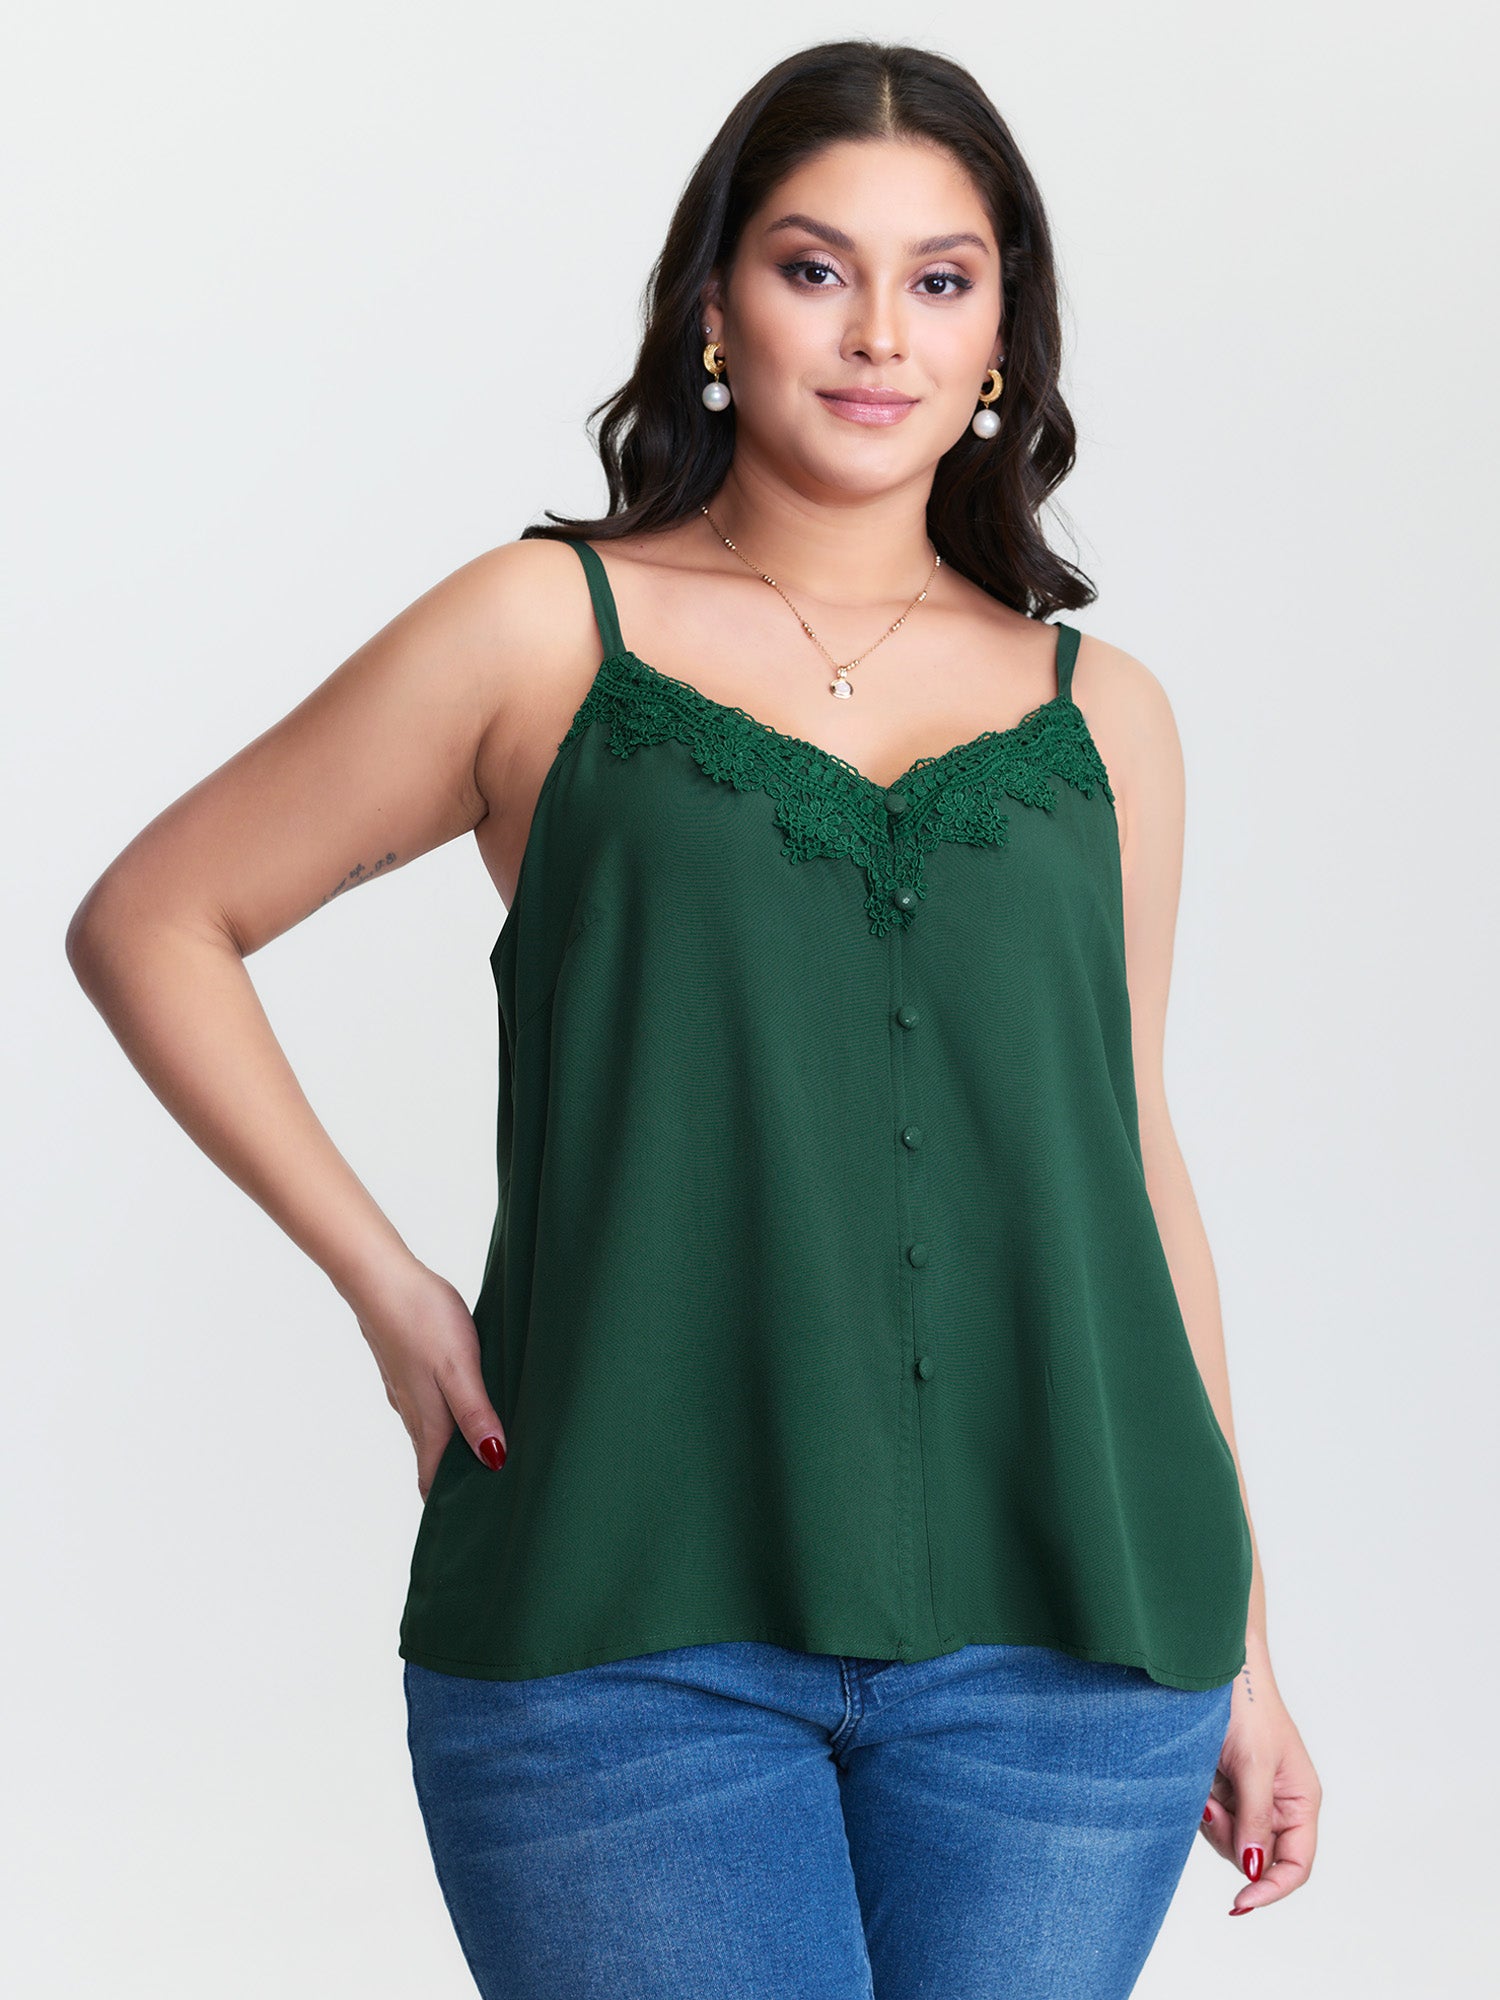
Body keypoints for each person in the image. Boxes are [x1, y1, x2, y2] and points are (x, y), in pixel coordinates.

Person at [65, 35, 1322, 2000]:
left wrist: (1243, 1640)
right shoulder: (542, 631)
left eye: (942, 278)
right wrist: (391, 1291)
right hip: (620, 1644)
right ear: (715, 307)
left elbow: (1131, 1161)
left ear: (1004, 339)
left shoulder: (1107, 719)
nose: (880, 332)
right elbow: (155, 917)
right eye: (818, 267)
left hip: (1077, 1662)